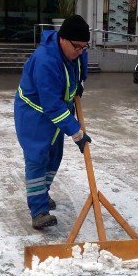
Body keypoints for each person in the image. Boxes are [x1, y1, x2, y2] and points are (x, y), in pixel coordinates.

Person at [14, 15, 91, 229]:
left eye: (85, 47)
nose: (81, 52)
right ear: (63, 39)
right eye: (77, 47)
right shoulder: (45, 60)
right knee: (38, 157)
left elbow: (80, 68)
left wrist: (80, 83)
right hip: (34, 113)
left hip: (58, 109)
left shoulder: (77, 49)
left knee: (55, 155)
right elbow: (51, 105)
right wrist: (77, 133)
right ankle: (38, 211)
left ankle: (42, 193)